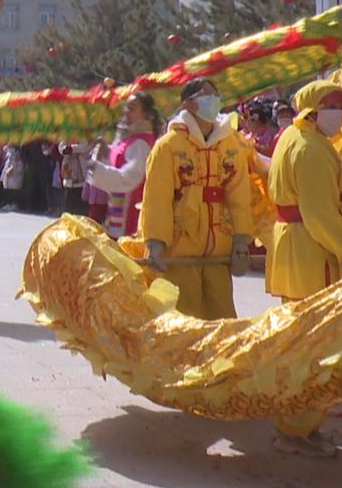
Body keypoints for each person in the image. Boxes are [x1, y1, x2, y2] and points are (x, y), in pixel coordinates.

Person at [264, 79, 342, 457]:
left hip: (295, 245)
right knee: (314, 345)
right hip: (311, 249)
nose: (338, 111)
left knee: (300, 340)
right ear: (312, 108)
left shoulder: (292, 137)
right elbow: (320, 215)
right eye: (331, 104)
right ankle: (295, 429)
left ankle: (298, 425)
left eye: (340, 104)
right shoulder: (311, 149)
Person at [138, 78, 254, 320]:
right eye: (205, 95)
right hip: (180, 252)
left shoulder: (231, 145)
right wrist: (156, 244)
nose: (213, 100)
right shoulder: (168, 146)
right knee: (186, 321)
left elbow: (239, 195)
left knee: (222, 322)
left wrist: (241, 240)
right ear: (188, 104)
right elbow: (157, 199)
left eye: (215, 95)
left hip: (218, 253)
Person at [88, 92, 161, 237]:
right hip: (117, 212)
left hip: (130, 216)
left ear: (146, 114)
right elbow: (117, 166)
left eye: (132, 108)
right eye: (126, 107)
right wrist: (104, 153)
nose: (126, 111)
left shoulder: (141, 143)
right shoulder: (130, 138)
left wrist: (95, 168)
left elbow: (129, 179)